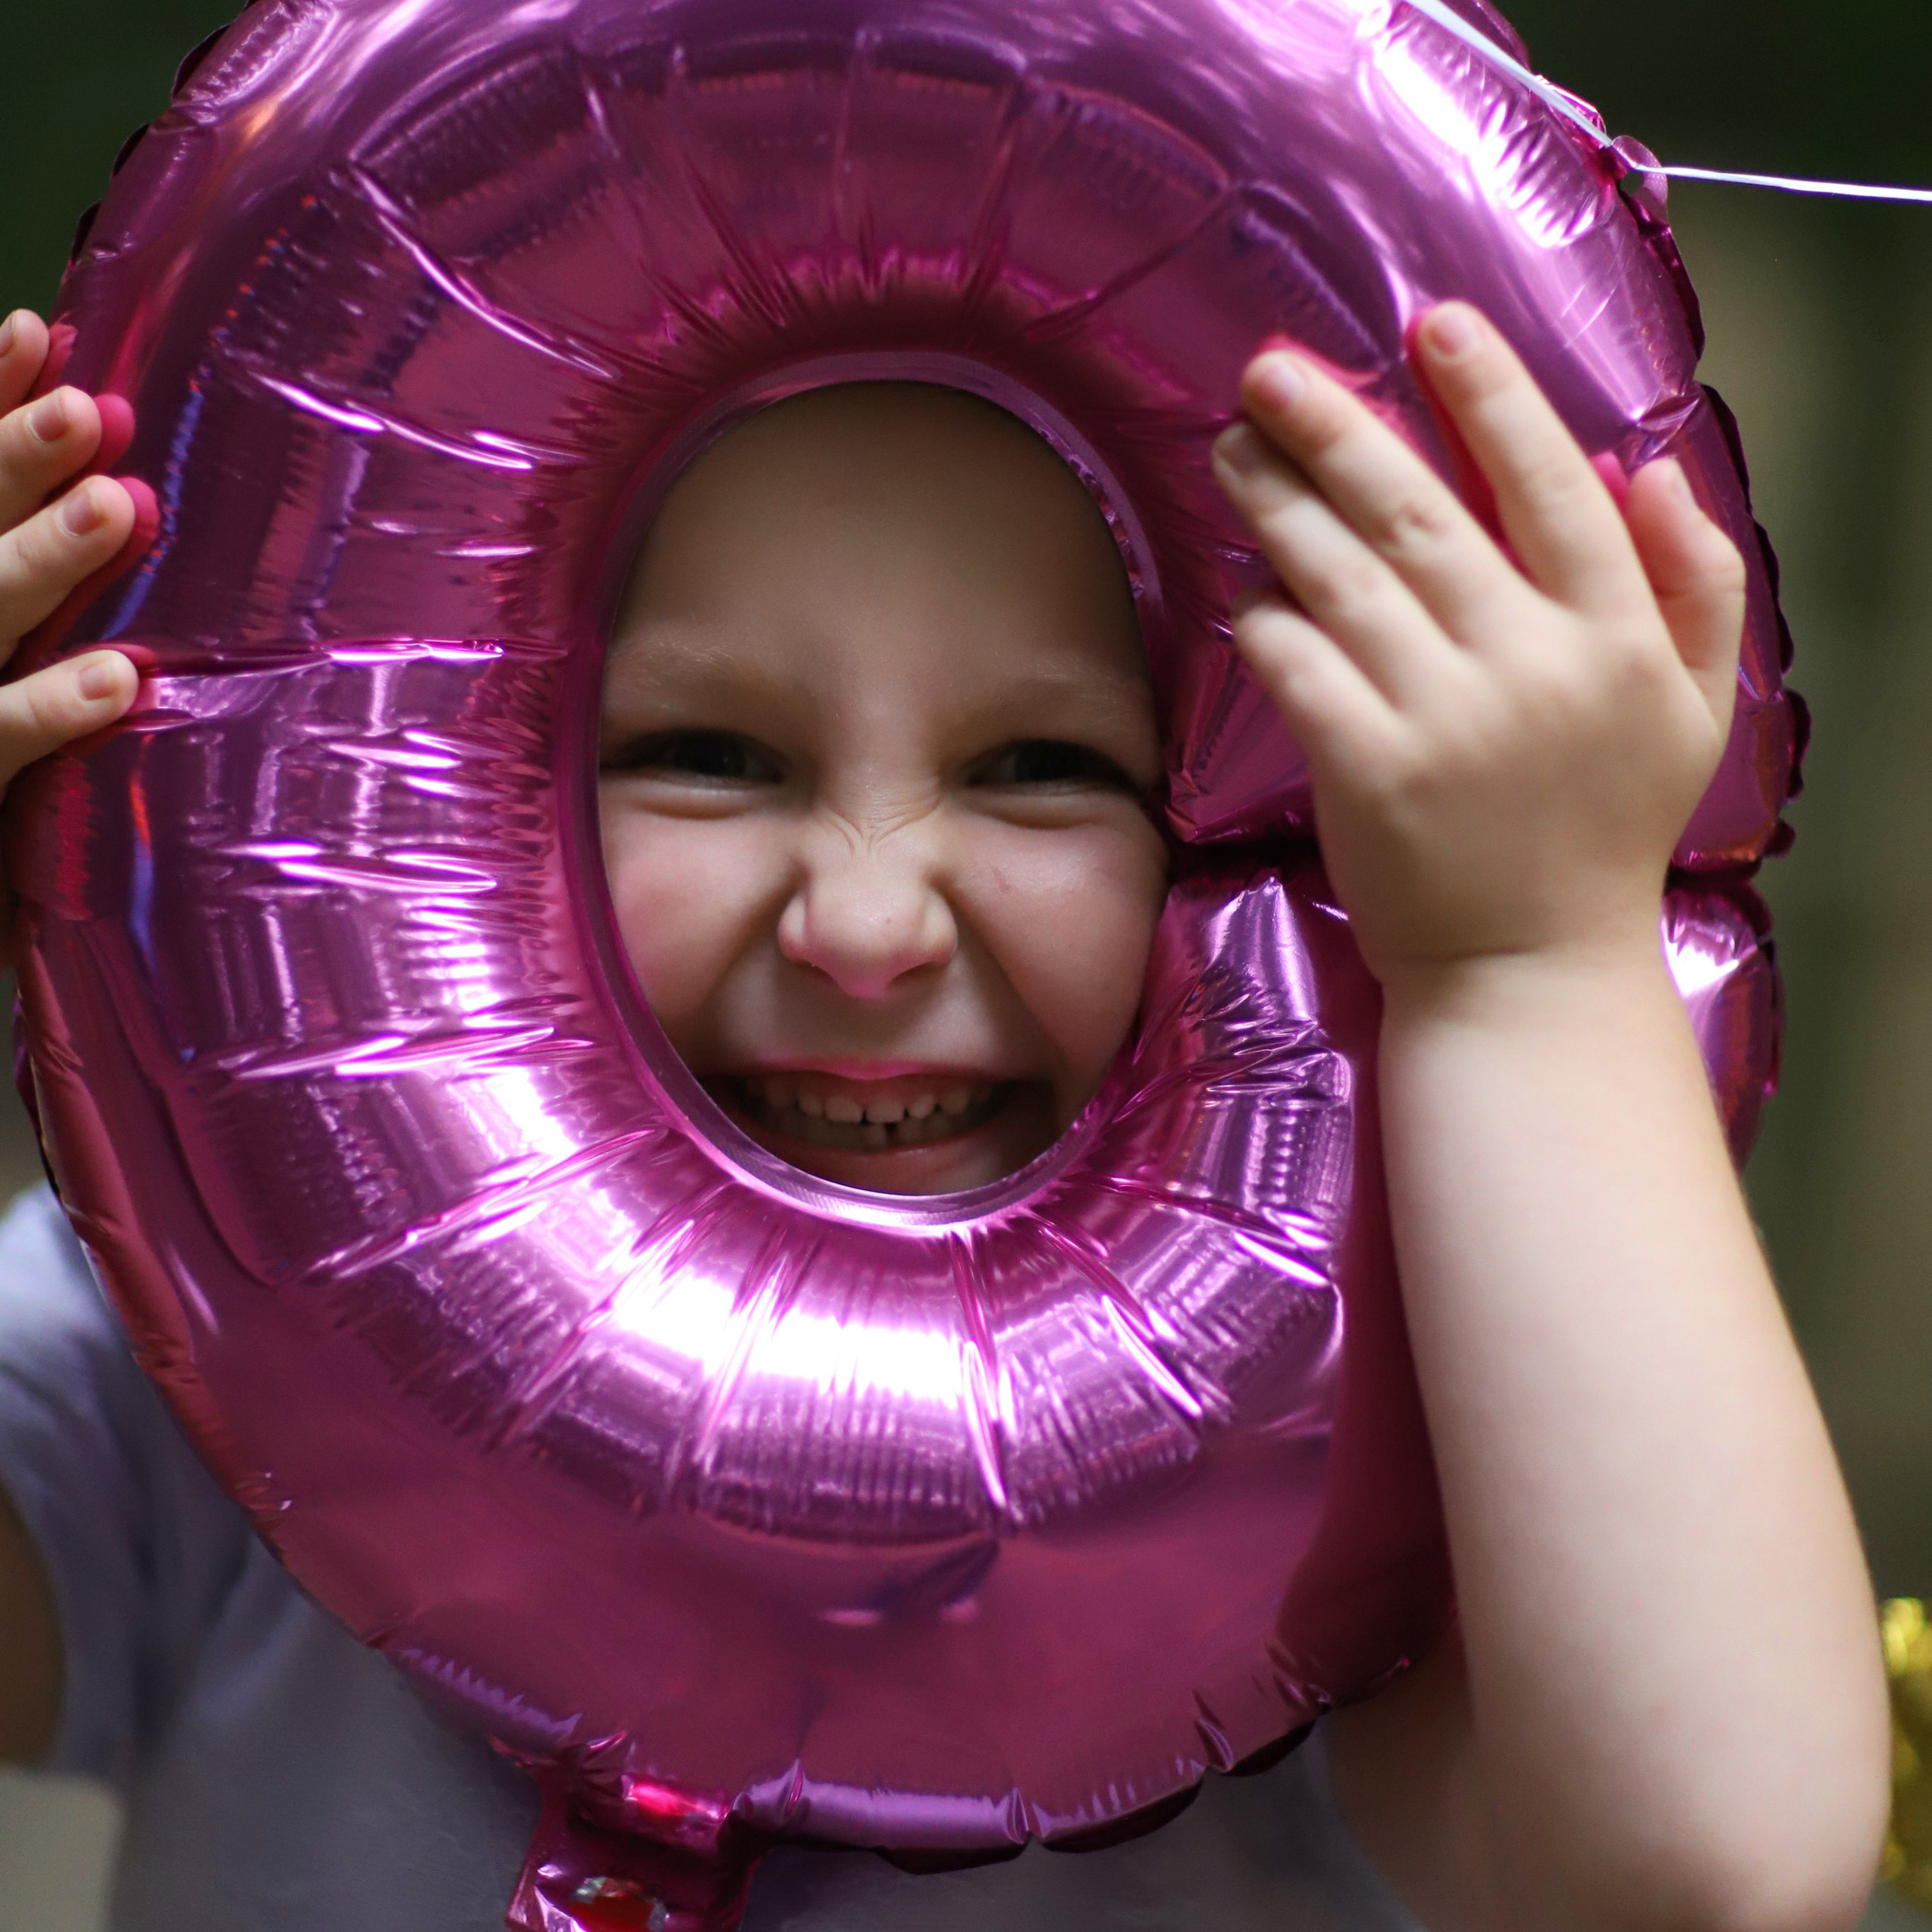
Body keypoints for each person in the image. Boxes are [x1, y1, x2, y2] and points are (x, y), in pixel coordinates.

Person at [0, 295, 1890, 1931]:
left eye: (1045, 767)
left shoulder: (1376, 1438)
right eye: (703, 754)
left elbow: (1709, 1865)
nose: (864, 926)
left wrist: (1524, 954)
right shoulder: (254, 1307)